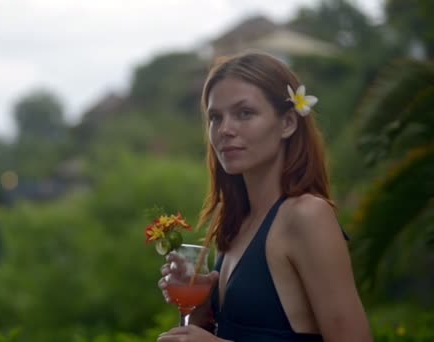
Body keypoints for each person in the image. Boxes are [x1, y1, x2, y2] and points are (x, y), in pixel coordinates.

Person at [157, 52, 372, 342]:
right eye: (215, 117)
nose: (225, 130)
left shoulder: (307, 216)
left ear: (287, 123)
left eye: (244, 113)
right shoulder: (235, 222)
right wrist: (198, 303)